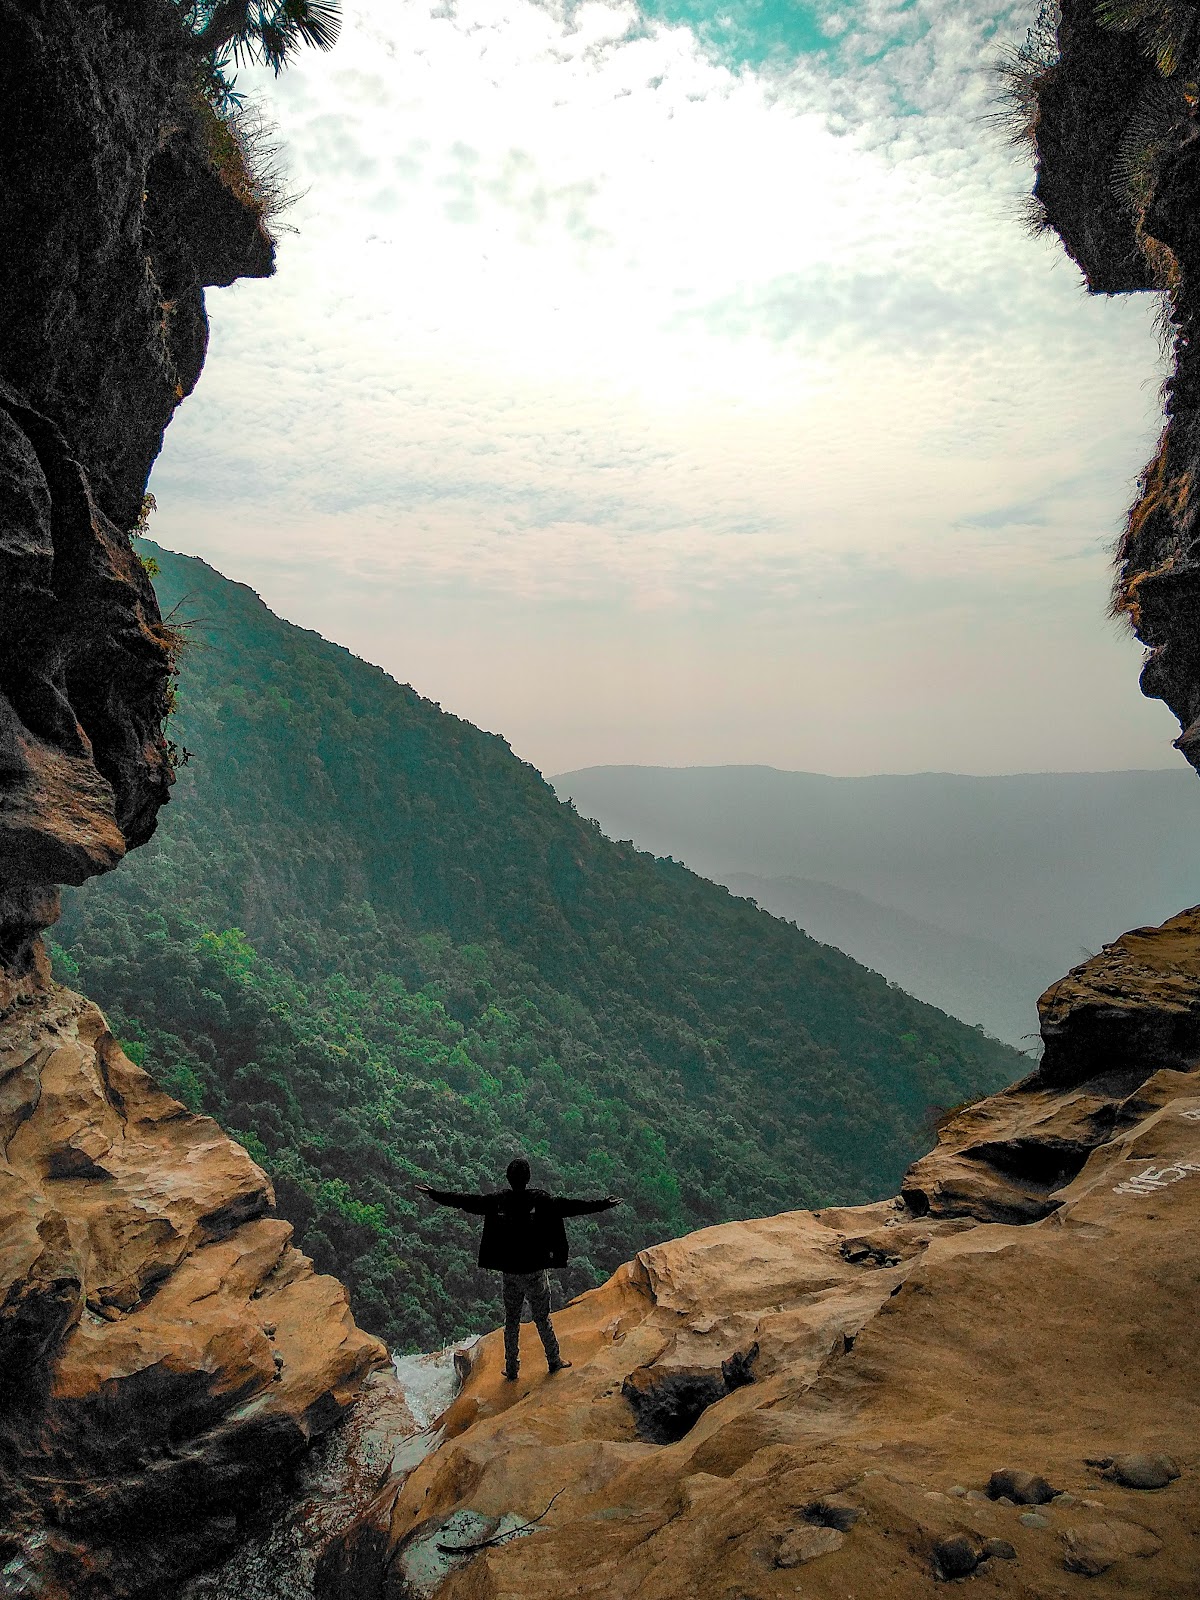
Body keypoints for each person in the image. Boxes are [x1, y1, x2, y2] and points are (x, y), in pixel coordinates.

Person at [416, 1158, 620, 1381]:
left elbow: (467, 1201)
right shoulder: (540, 1200)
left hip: (510, 1272)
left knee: (511, 1320)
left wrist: (434, 1193)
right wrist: (603, 1204)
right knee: (542, 1318)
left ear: (508, 1178)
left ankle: (512, 1369)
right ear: (528, 1178)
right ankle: (554, 1361)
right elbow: (571, 1206)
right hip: (535, 1272)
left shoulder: (499, 1200)